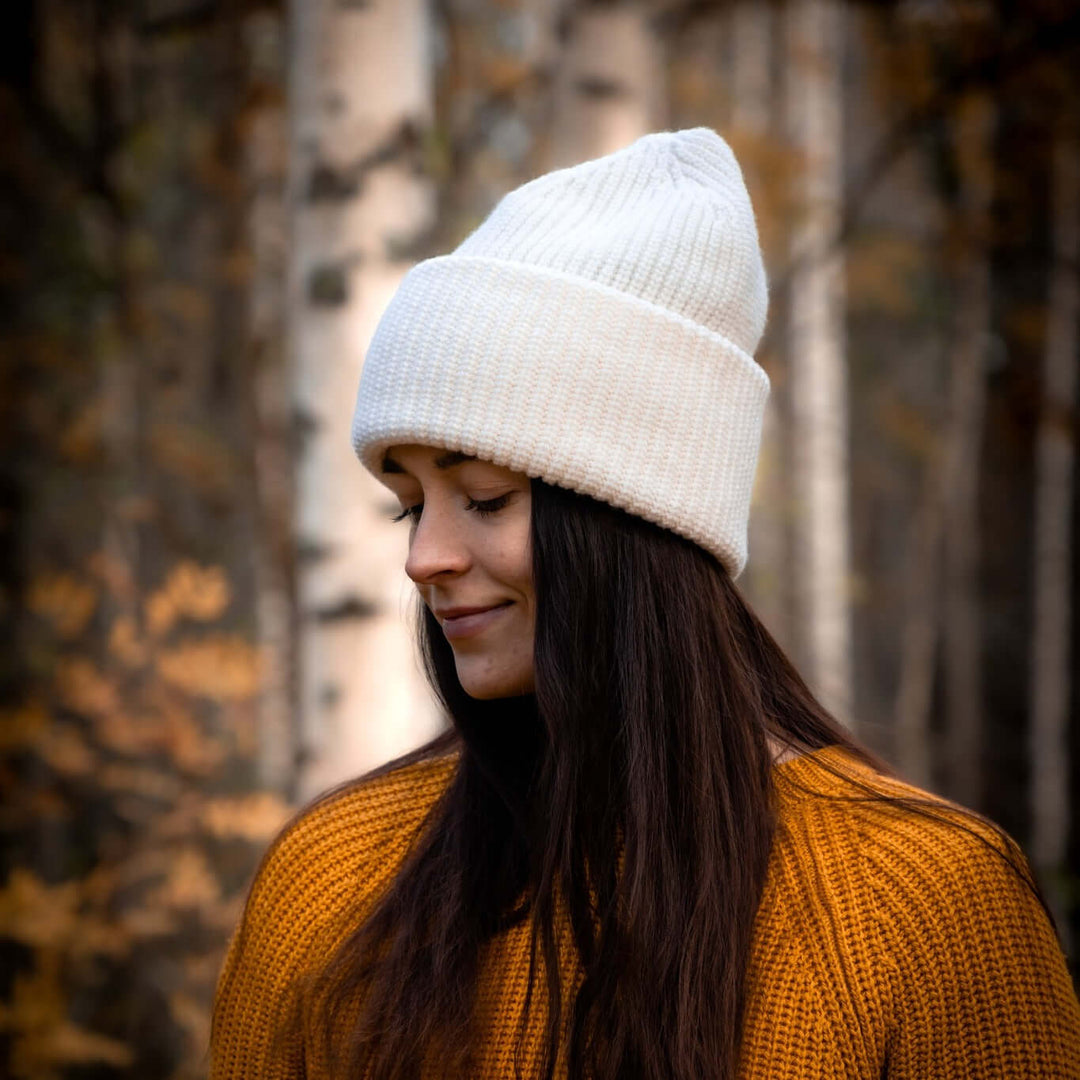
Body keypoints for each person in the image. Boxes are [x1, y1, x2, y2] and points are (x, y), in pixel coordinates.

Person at [209, 128, 1080, 1079]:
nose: (424, 558)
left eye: (486, 499)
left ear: (639, 524)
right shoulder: (330, 883)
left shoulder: (928, 906)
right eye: (410, 505)